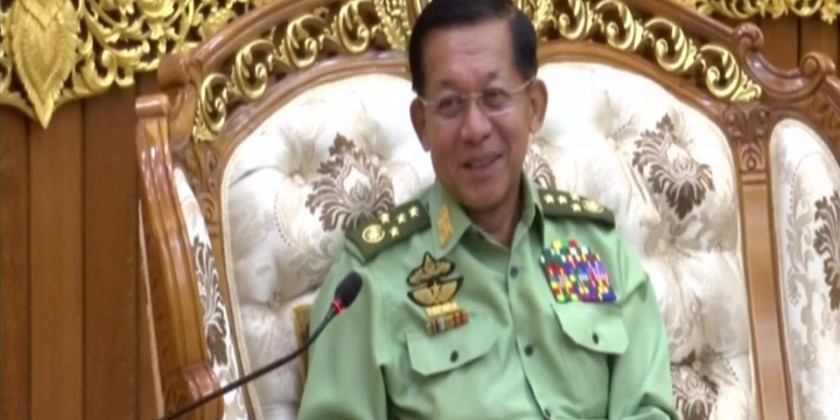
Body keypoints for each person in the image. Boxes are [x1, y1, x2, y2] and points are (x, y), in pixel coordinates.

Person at [297, 0, 679, 418]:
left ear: (534, 106)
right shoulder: (368, 280)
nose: (476, 129)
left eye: (495, 97)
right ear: (422, 124)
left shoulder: (597, 247)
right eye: (450, 104)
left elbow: (649, 408)